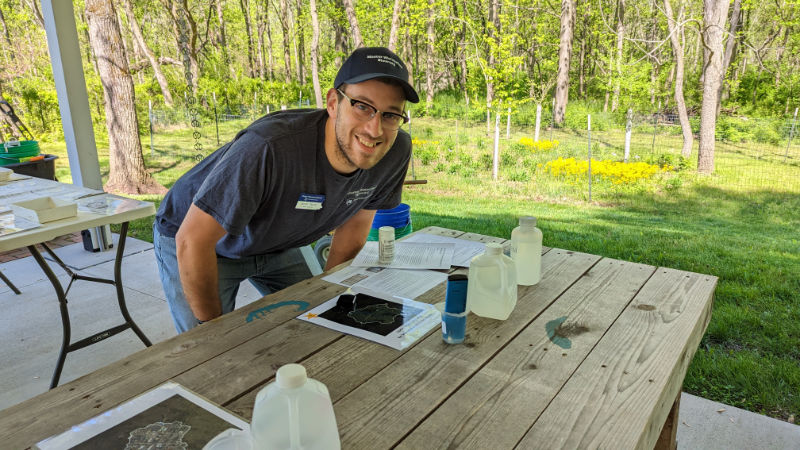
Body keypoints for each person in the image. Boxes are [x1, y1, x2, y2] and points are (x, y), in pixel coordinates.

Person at [153, 47, 419, 333]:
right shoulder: (269, 146)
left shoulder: (394, 150)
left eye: (391, 114)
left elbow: (354, 228)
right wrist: (213, 332)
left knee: (317, 321)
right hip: (201, 241)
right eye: (362, 106)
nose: (375, 129)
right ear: (333, 103)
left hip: (278, 243)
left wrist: (334, 301)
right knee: (206, 350)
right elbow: (193, 240)